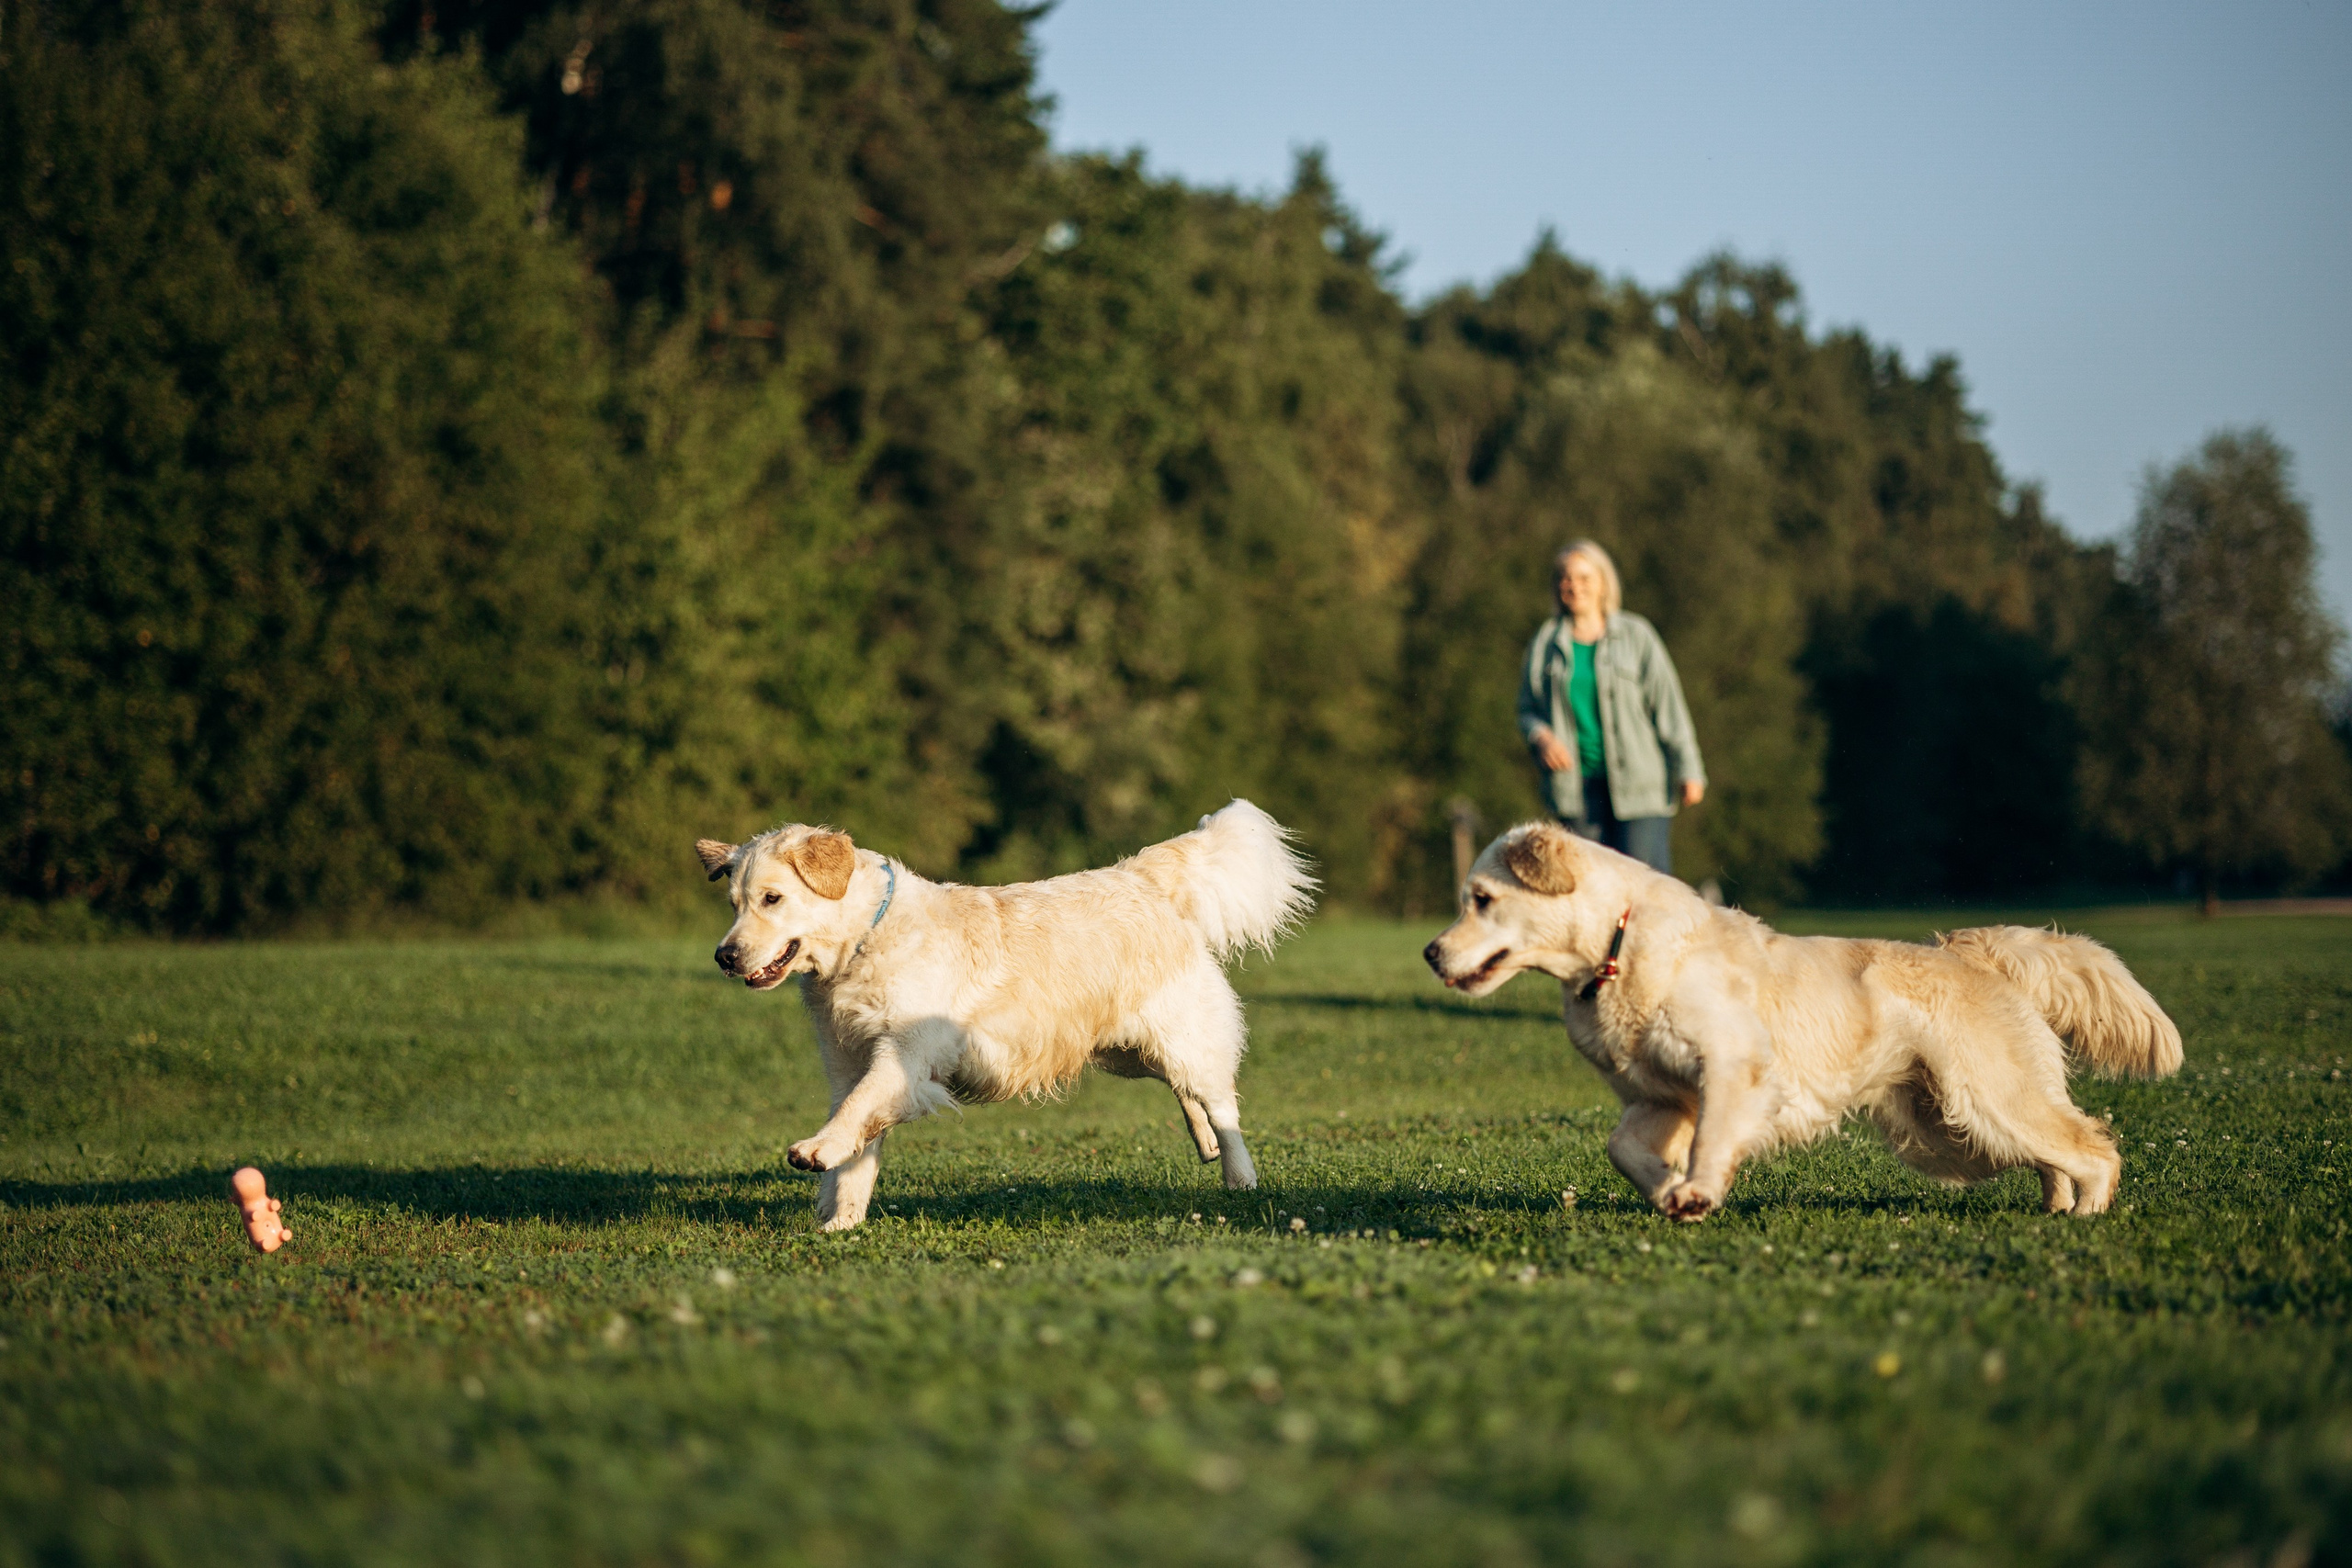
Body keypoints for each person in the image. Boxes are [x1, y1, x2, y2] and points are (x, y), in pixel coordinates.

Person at [1515, 540, 1705, 875]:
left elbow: (1669, 705)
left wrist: (1689, 768)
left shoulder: (1637, 635)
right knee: (1586, 891)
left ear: (1604, 583)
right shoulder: (1545, 642)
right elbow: (1526, 708)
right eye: (1565, 578)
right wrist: (1541, 736)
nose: (1574, 586)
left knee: (1647, 891)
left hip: (1640, 787)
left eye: (1584, 577)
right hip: (1576, 790)